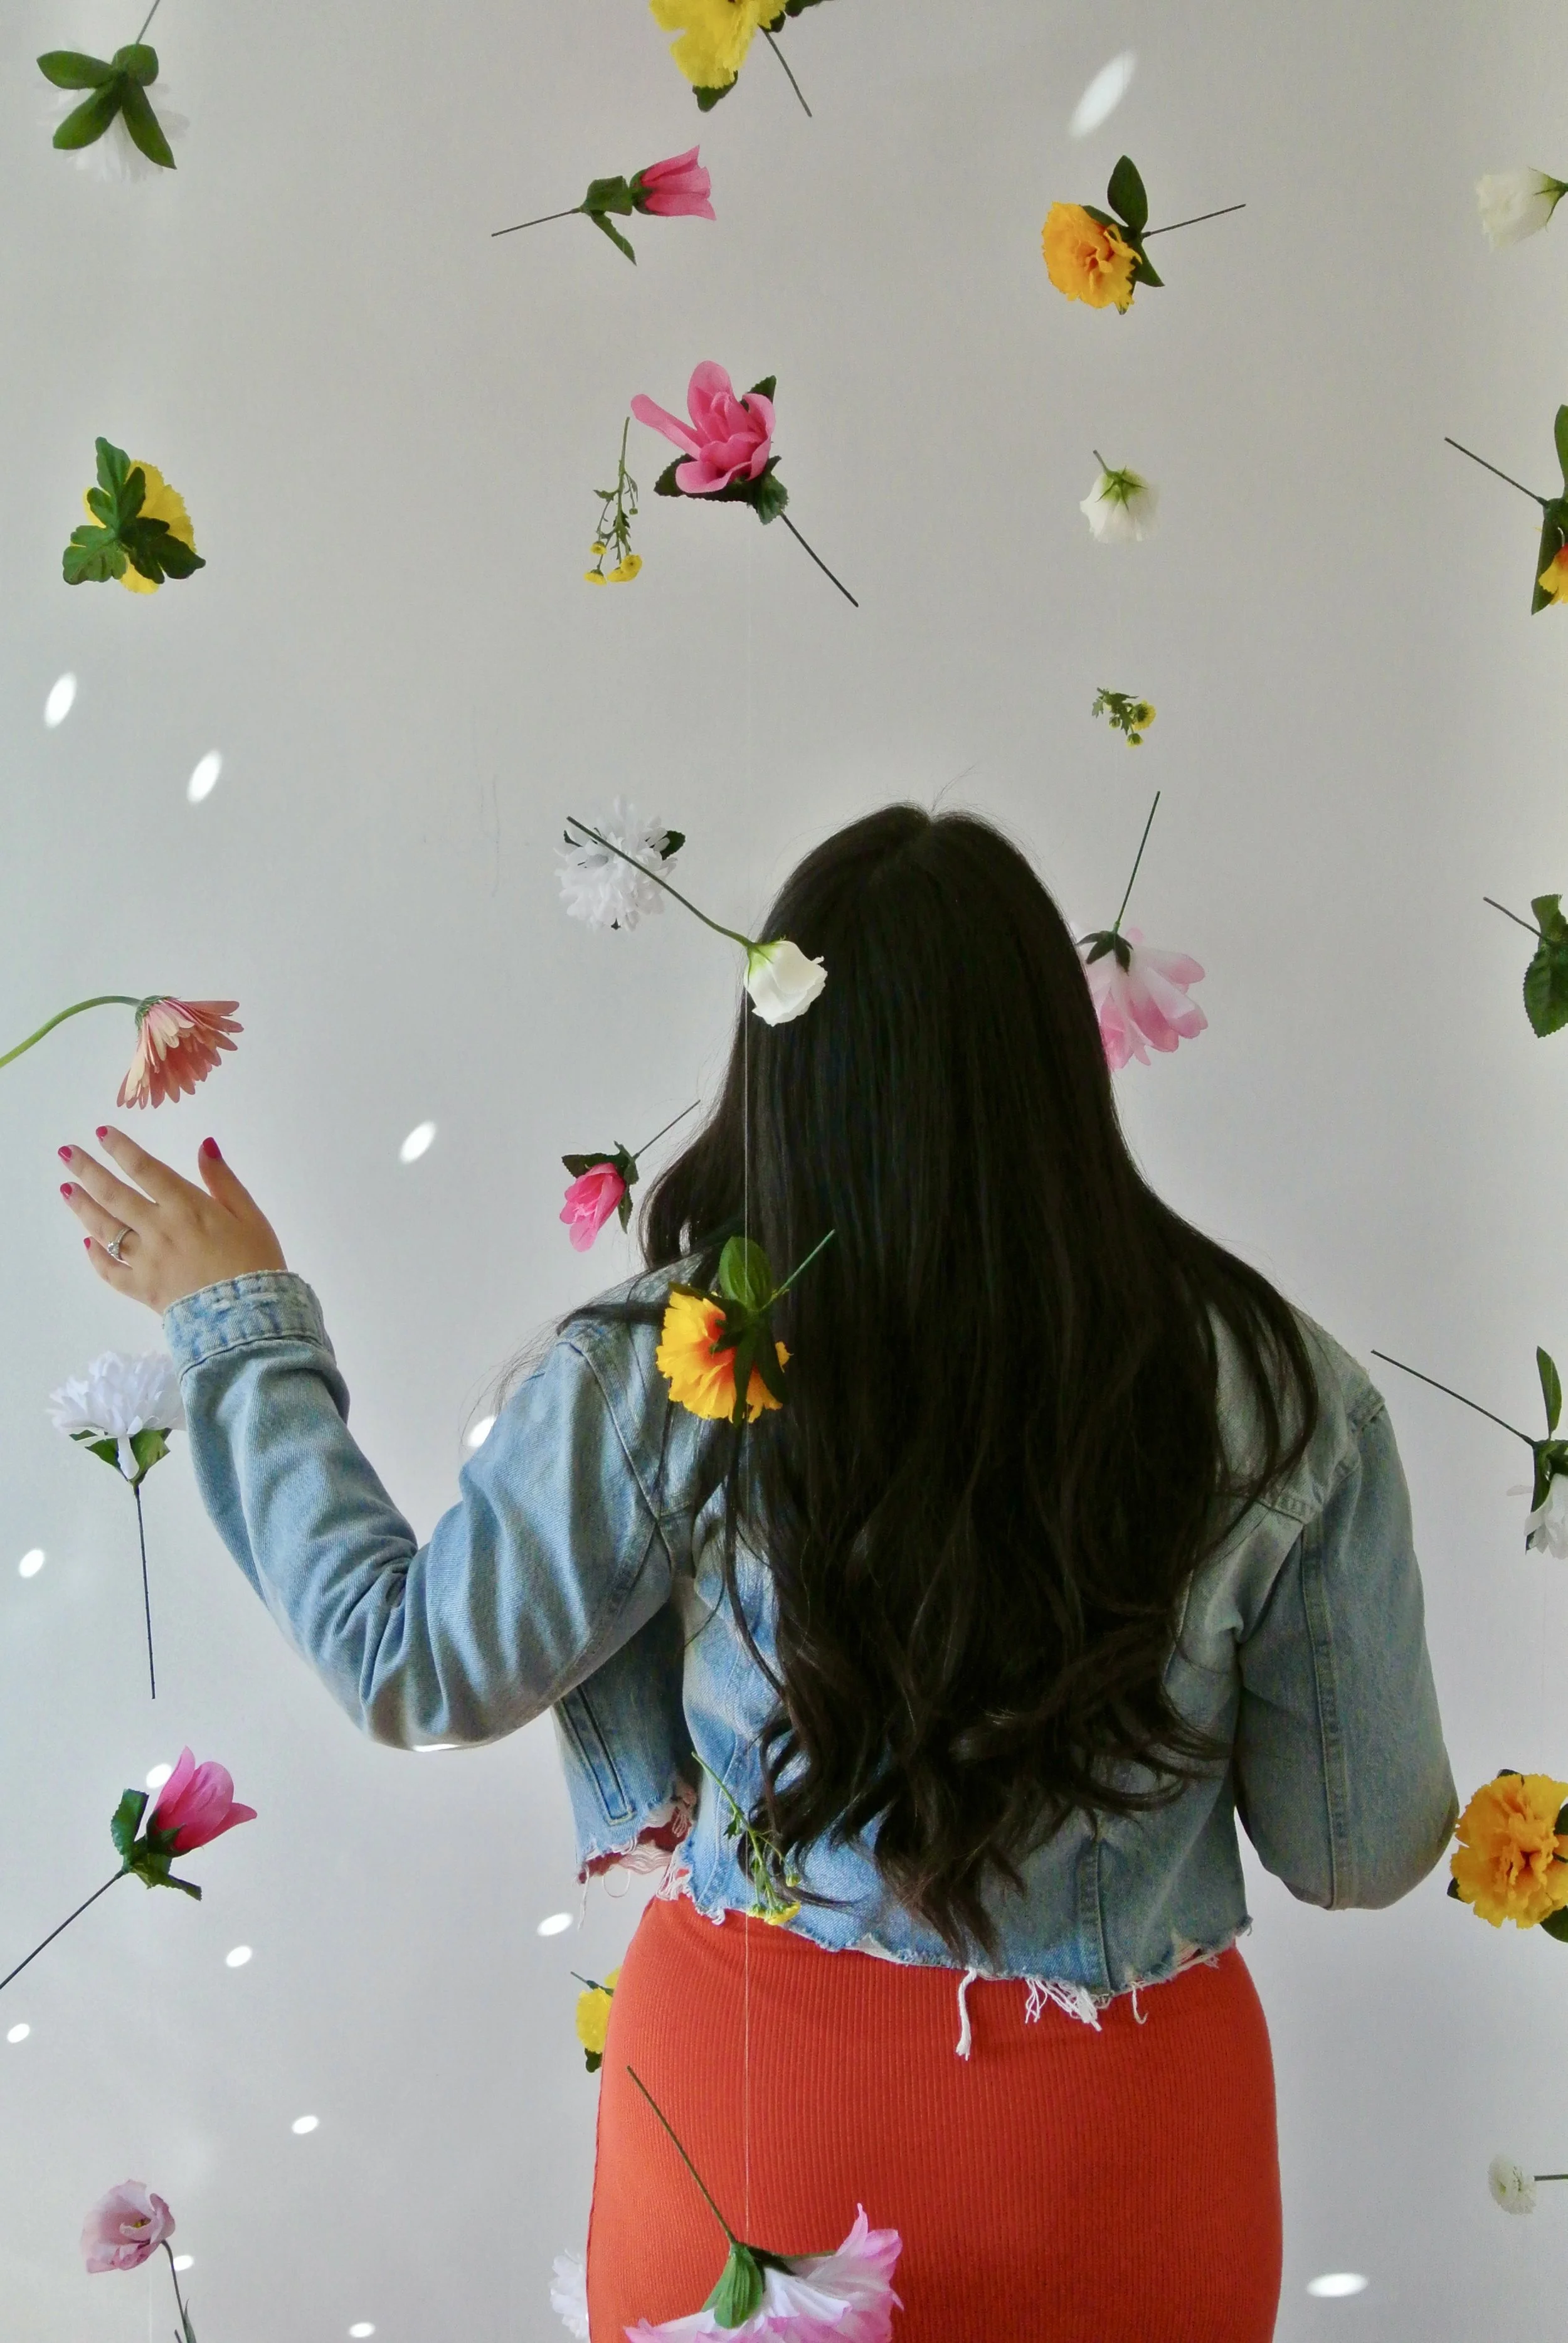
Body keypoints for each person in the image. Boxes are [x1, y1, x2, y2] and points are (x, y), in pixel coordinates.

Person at [56, 804, 1456, 2342]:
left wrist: (243, 1330)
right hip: (1127, 2152)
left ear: (781, 1067)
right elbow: (1357, 1851)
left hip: (755, 2128)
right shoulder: (1284, 1387)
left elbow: (414, 1664)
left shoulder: (683, 1356)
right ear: (1058, 1066)